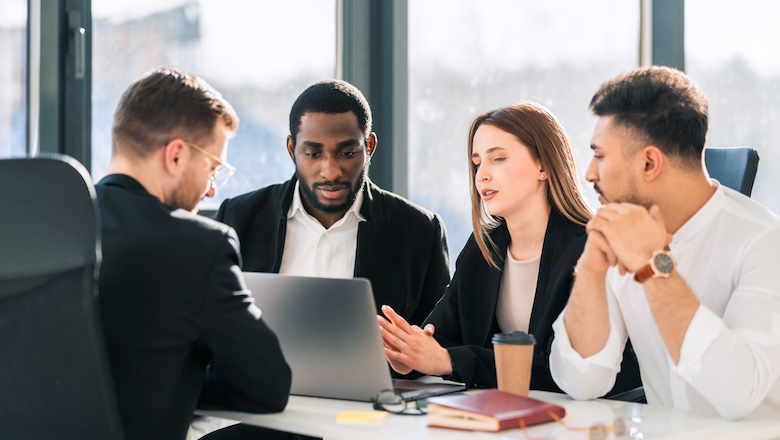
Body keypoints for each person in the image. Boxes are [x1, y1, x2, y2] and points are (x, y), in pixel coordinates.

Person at [550, 66, 780, 419]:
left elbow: (737, 394)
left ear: (649, 162)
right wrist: (591, 269)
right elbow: (582, 381)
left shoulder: (765, 241)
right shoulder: (618, 235)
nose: (589, 173)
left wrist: (652, 264)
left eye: (600, 155)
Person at [377, 102, 641, 394]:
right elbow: (437, 339)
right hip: (505, 412)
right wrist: (406, 357)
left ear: (543, 165)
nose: (482, 175)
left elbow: (564, 371)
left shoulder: (591, 250)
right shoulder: (483, 248)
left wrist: (450, 360)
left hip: (593, 415)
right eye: (477, 163)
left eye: (498, 159)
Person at [96, 67, 291, 440]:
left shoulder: (46, 225)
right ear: (176, 156)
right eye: (212, 169)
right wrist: (182, 377)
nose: (212, 190)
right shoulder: (200, 246)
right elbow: (267, 386)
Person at [215, 79, 450, 326]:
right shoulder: (238, 218)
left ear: (369, 147)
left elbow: (439, 339)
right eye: (313, 154)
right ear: (291, 149)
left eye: (347, 153)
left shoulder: (419, 231)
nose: (331, 172)